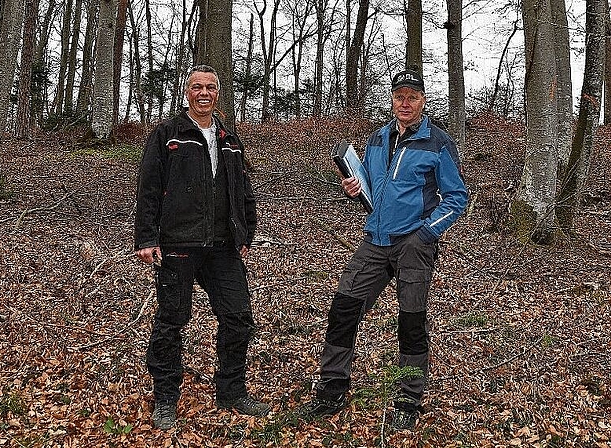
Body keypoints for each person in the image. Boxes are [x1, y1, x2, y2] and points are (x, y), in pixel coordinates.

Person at [299, 68, 468, 430]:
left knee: (410, 322)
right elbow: (374, 188)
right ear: (392, 100)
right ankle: (332, 388)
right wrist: (355, 189)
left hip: (412, 245)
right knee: (343, 308)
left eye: (412, 97)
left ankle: (408, 398)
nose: (405, 103)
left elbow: (456, 198)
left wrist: (425, 235)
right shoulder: (377, 138)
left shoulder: (437, 142)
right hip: (375, 241)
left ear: (423, 101)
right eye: (399, 96)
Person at [134, 64, 270, 430]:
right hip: (179, 243)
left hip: (223, 246)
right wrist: (146, 238)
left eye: (210, 87)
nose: (204, 93)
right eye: (197, 87)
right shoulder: (168, 133)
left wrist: (245, 232)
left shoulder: (228, 136)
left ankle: (231, 391)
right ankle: (165, 398)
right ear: (187, 93)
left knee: (238, 316)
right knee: (171, 322)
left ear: (218, 93)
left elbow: (242, 188)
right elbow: (148, 188)